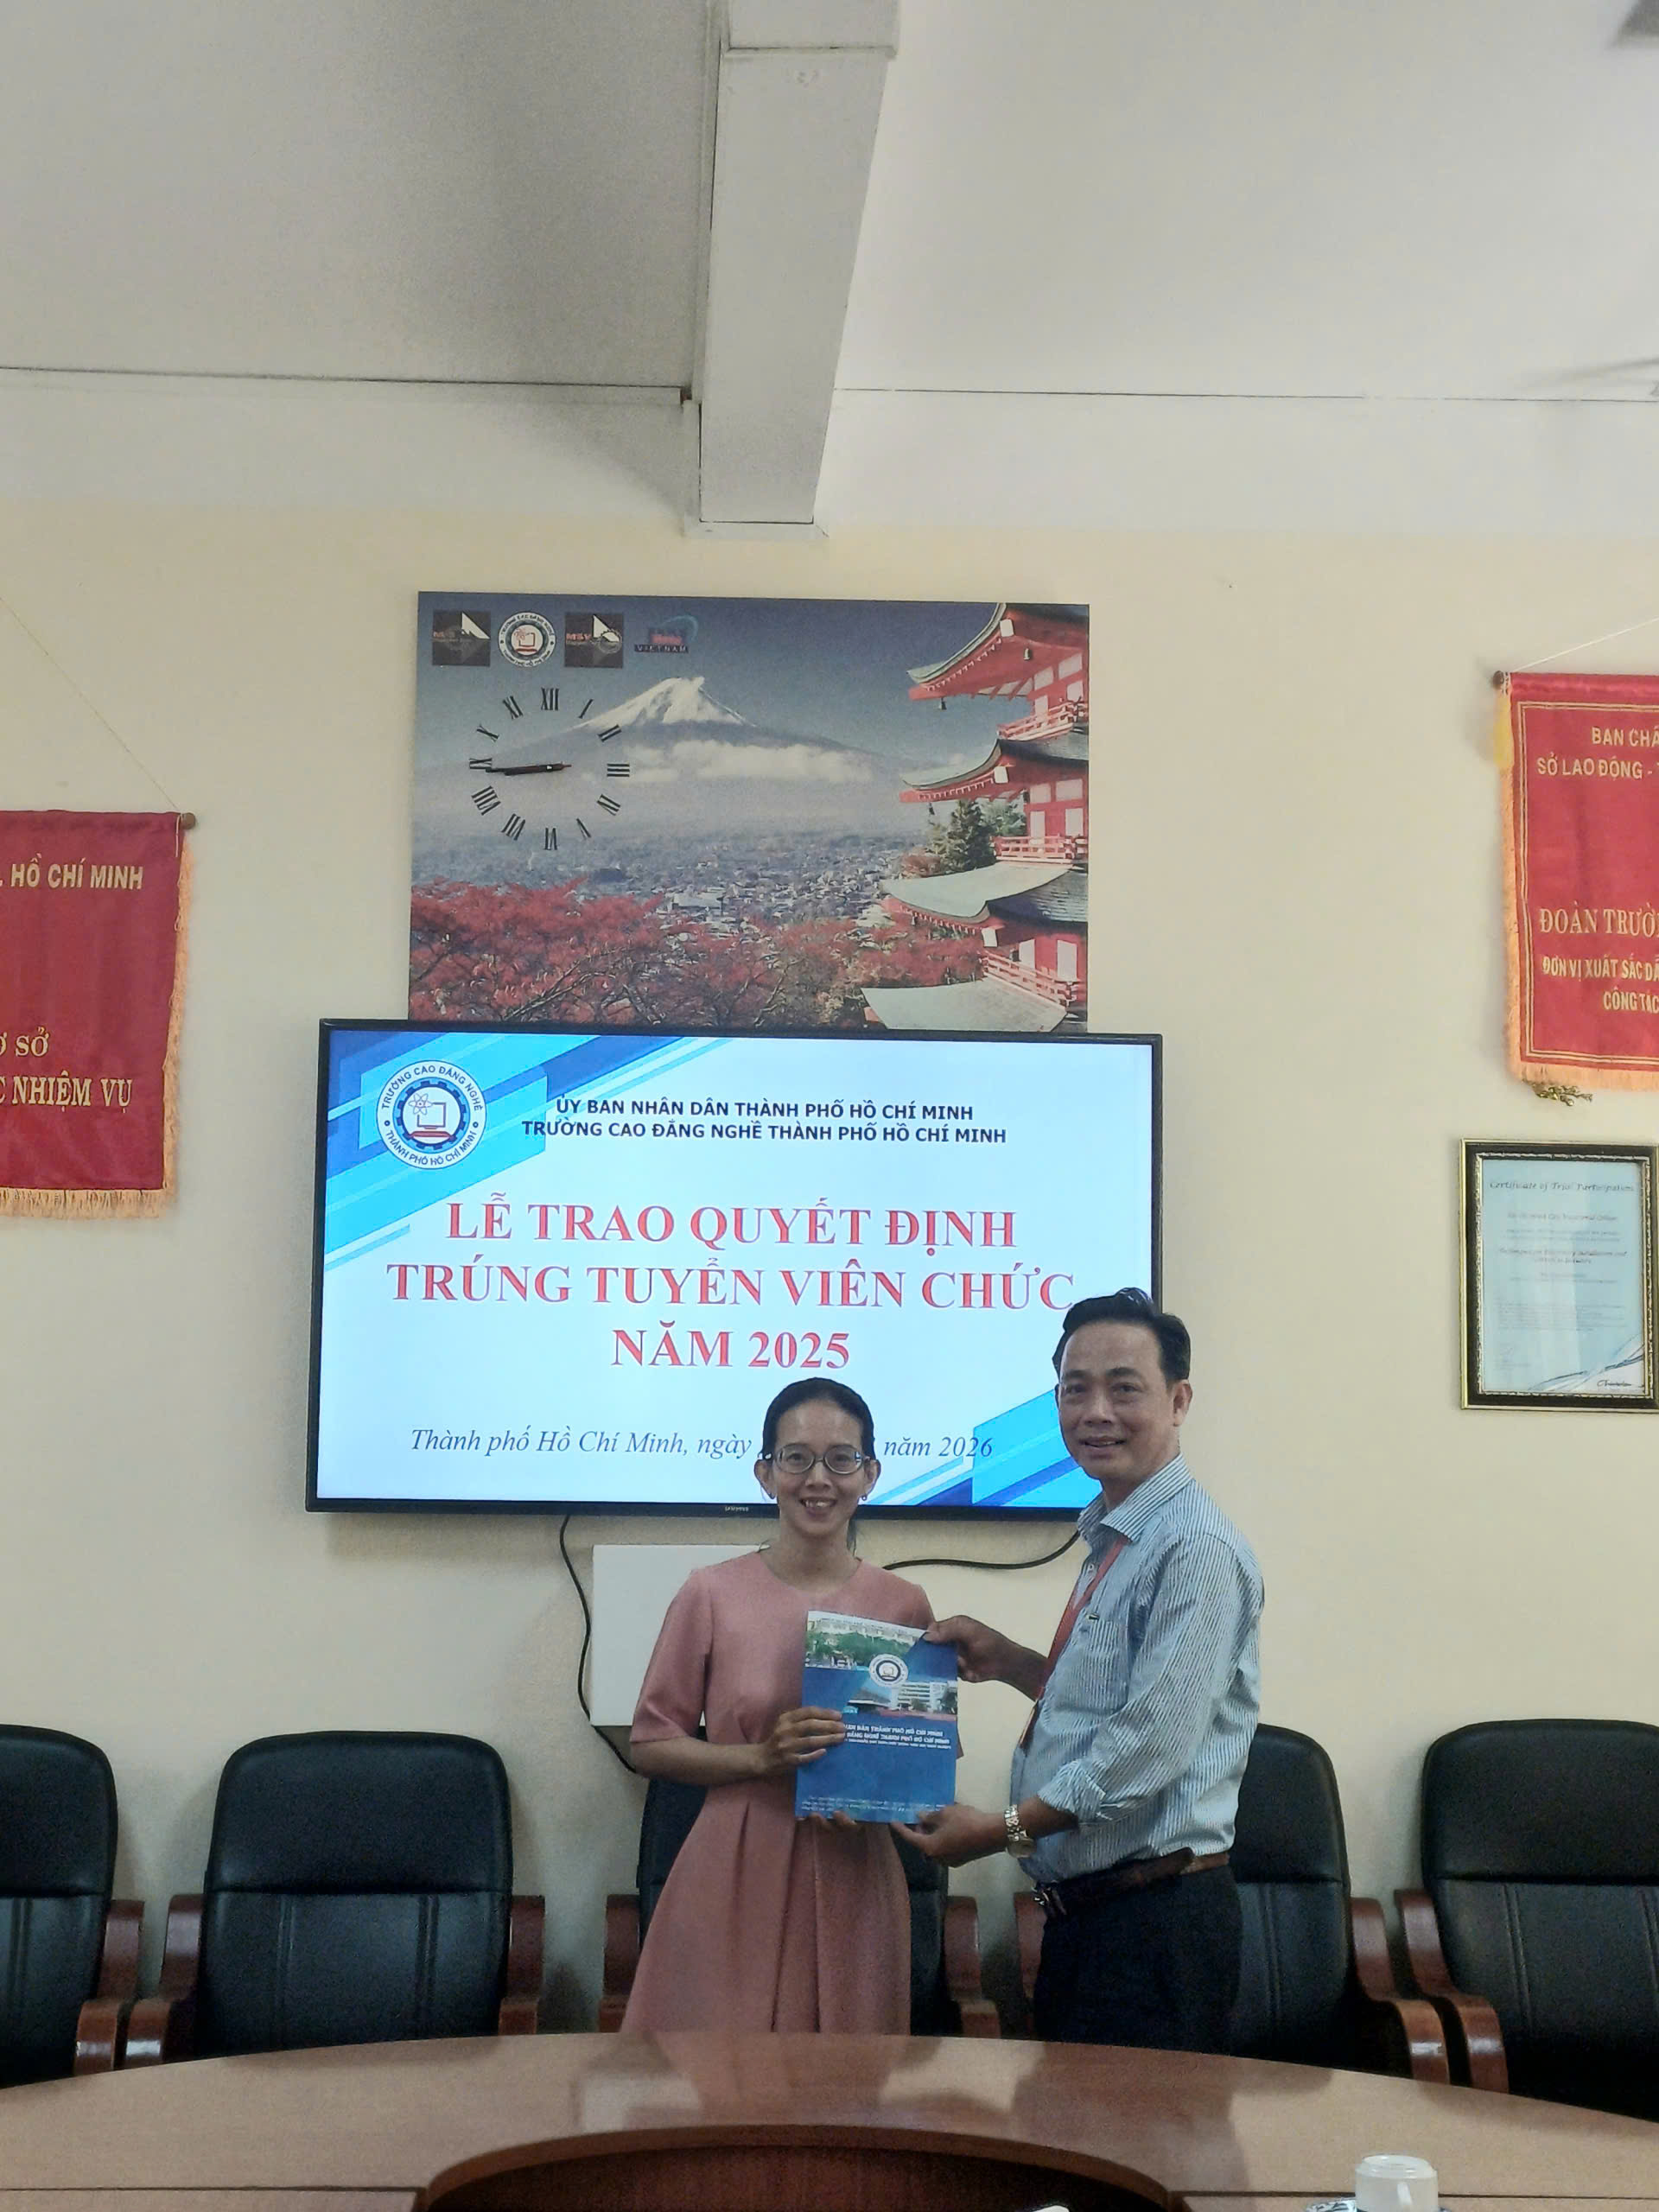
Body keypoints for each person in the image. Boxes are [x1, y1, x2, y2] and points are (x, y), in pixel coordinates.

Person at [898, 1287, 1262, 2052]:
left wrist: (998, 1830)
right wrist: (1011, 1662)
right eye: (1075, 1389)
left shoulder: (1193, 1548)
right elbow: (1119, 1702)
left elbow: (1148, 1748)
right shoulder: (1117, 1535)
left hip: (1155, 1924)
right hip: (1093, 1917)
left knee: (1139, 2127)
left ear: (1179, 1400)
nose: (1096, 1412)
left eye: (1124, 1389)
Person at [622, 1377, 934, 2033]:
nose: (818, 1479)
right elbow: (650, 1743)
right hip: (736, 1861)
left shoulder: (904, 1604)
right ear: (765, 1474)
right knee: (720, 2074)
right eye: (796, 1458)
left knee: (847, 2076)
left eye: (841, 1459)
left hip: (856, 1868)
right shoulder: (710, 1594)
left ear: (871, 1475)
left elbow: (920, 1764)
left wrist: (889, 1794)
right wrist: (760, 1757)